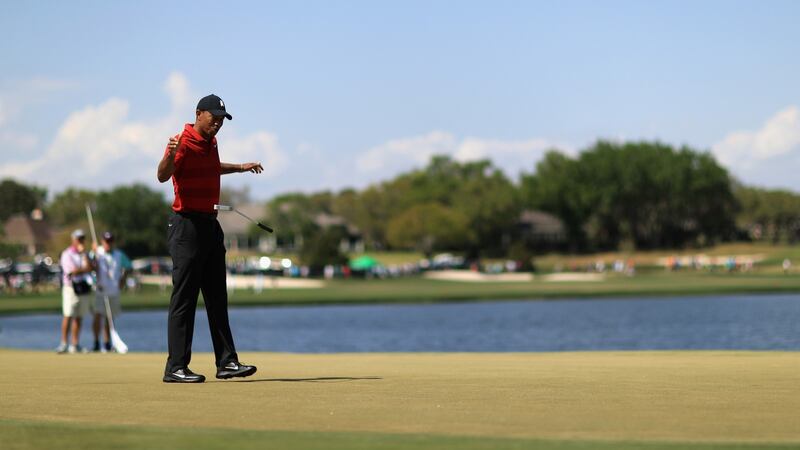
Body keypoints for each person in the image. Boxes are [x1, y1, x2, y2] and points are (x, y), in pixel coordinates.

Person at [157, 94, 263, 383]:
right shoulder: (183, 141)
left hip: (209, 225)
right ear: (198, 113)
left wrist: (240, 167)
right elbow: (163, 176)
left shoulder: (210, 142)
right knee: (185, 299)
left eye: (221, 119)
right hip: (186, 226)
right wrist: (168, 153)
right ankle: (176, 367)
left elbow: (210, 168)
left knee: (217, 297)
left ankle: (227, 362)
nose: (217, 123)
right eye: (213, 117)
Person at [92, 231, 132, 352]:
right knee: (98, 316)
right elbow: (90, 265)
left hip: (114, 290)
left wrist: (123, 280)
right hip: (100, 290)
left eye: (110, 241)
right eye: (106, 241)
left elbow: (128, 266)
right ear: (102, 241)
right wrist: (93, 254)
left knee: (110, 318)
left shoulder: (119, 254)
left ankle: (107, 343)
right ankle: (96, 343)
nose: (108, 243)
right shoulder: (97, 252)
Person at [57, 229, 93, 354]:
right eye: (78, 239)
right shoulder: (67, 254)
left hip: (83, 288)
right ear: (73, 240)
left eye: (82, 238)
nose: (81, 241)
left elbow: (90, 267)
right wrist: (85, 269)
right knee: (68, 315)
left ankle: (75, 344)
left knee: (79, 317)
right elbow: (72, 271)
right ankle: (63, 343)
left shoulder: (84, 254)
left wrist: (84, 257)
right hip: (70, 288)